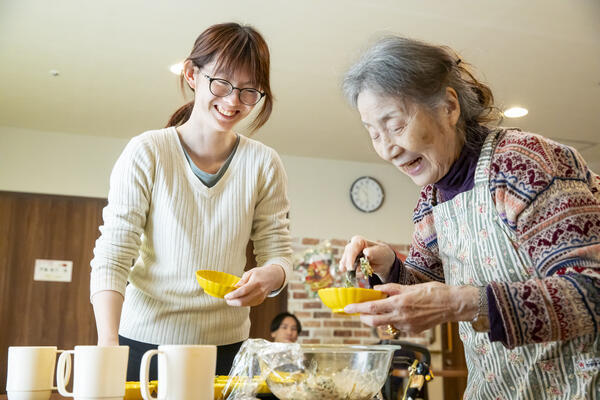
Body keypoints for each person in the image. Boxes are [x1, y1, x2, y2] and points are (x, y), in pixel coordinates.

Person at [339, 36, 599, 399]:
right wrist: (388, 267)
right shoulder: (432, 198)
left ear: (448, 106)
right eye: (373, 133)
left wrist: (461, 303)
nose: (387, 149)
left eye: (395, 126)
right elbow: (424, 284)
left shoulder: (523, 163)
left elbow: (592, 290)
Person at [89, 22, 292, 380]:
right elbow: (114, 251)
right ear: (191, 73)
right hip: (142, 344)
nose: (233, 101)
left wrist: (271, 276)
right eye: (222, 83)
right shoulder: (147, 152)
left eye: (248, 91)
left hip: (227, 347)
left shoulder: (264, 163)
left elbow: (277, 251)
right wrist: (108, 342)